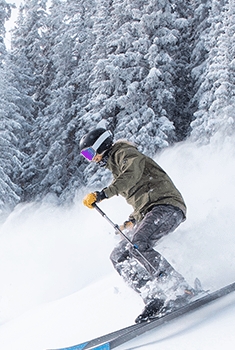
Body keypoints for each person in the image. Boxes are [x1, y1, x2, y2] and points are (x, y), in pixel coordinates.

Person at [80, 128, 195, 323]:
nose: (92, 159)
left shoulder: (125, 153)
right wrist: (132, 221)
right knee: (119, 255)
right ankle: (154, 297)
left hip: (167, 207)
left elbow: (131, 175)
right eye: (86, 156)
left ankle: (179, 287)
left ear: (101, 146)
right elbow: (141, 200)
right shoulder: (117, 166)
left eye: (90, 153)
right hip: (152, 211)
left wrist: (103, 194)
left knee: (138, 244)